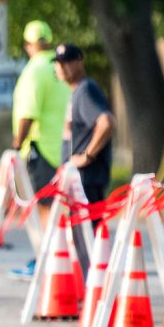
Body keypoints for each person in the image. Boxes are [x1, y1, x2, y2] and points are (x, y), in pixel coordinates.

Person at [9, 20, 69, 280]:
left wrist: (17, 143)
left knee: (45, 207)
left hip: (41, 147)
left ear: (28, 45)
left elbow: (28, 113)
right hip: (65, 147)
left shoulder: (34, 71)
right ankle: (60, 256)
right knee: (62, 206)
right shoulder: (60, 67)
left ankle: (49, 259)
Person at [54, 43, 114, 219]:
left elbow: (107, 122)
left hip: (87, 179)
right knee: (82, 239)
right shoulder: (77, 91)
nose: (62, 67)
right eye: (58, 62)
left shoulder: (86, 89)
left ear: (80, 63)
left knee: (90, 238)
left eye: (67, 61)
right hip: (79, 180)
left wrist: (87, 155)